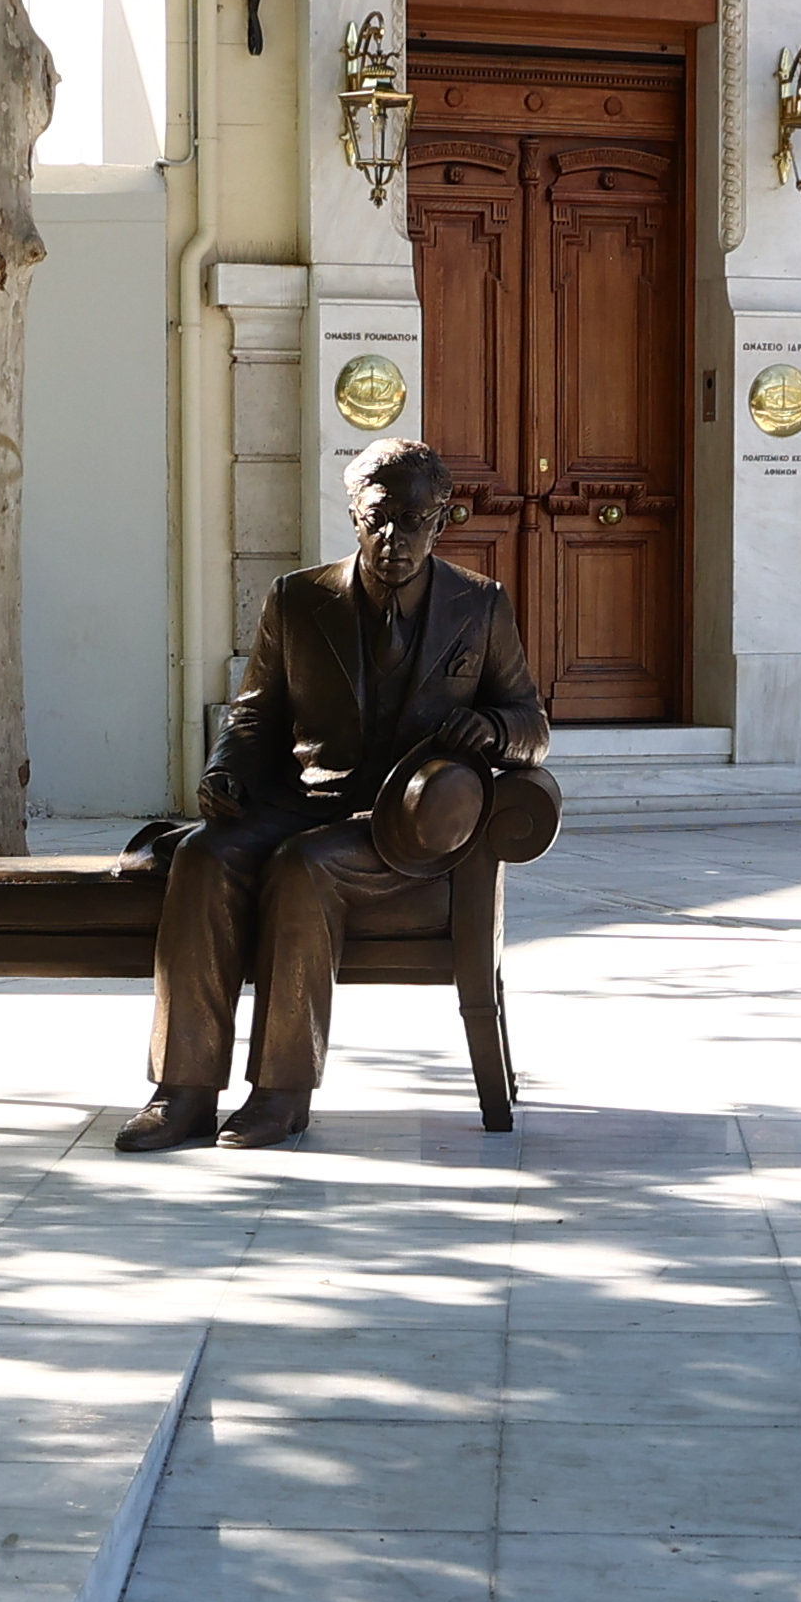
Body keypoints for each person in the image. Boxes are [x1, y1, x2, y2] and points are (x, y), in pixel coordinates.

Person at [118, 437, 547, 1153]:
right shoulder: (297, 599)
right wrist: (226, 771)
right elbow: (253, 714)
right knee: (201, 856)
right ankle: (183, 1091)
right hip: (300, 803)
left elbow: (533, 726)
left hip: (403, 827)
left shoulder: (480, 605)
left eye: (414, 520)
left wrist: (493, 728)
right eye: (379, 518)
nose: (394, 537)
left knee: (302, 867)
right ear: (353, 515)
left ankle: (282, 1094)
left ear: (441, 521)